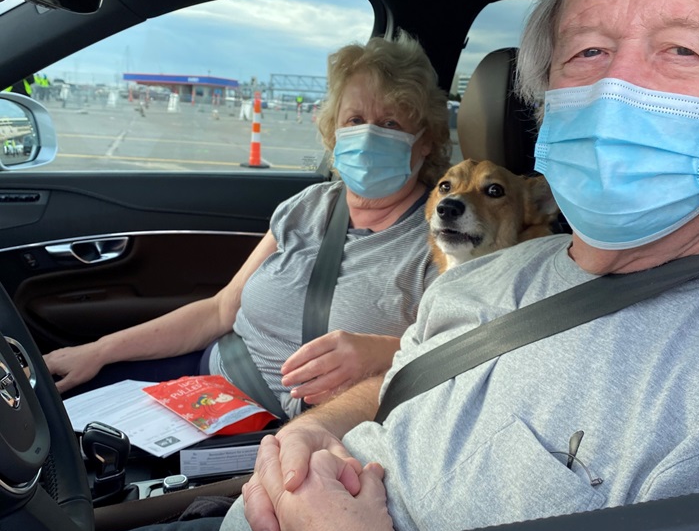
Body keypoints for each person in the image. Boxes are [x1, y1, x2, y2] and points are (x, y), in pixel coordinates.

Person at [83, 0, 699, 531]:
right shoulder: (499, 274)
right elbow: (403, 378)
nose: (617, 84)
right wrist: (314, 431)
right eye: (588, 50)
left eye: (681, 49)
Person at [44, 31, 451, 420]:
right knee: (50, 406)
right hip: (206, 384)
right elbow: (220, 311)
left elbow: (452, 357)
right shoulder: (306, 207)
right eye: (355, 119)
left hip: (285, 434)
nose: (367, 137)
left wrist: (383, 352)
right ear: (334, 130)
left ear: (426, 140)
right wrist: (98, 351)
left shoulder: (442, 241)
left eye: (391, 124)